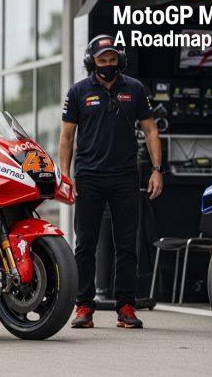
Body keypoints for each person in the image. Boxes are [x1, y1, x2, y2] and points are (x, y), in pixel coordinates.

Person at [59, 34, 163, 329]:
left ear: (120, 60)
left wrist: (157, 170)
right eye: (102, 60)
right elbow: (67, 137)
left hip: (126, 176)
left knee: (127, 245)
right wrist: (65, 175)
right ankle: (84, 307)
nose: (107, 64)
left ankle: (126, 307)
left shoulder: (134, 88)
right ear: (91, 61)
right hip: (88, 177)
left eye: (112, 59)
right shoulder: (78, 91)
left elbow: (151, 131)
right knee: (85, 245)